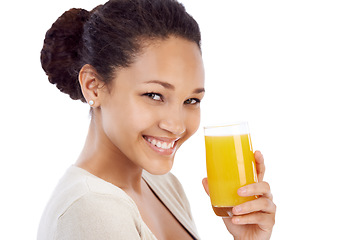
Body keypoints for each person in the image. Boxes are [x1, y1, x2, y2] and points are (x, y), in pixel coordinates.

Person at [37, 0, 276, 239]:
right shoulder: (91, 207)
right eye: (154, 95)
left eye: (191, 100)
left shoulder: (164, 186)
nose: (177, 125)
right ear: (93, 86)